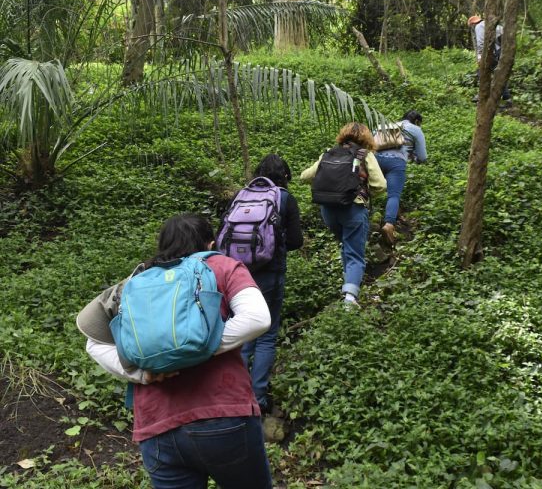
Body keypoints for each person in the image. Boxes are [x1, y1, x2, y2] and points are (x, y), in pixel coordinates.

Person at [76, 213, 273, 489]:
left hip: (157, 428)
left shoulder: (138, 280)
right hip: (223, 415)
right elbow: (257, 319)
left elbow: (93, 341)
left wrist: (142, 372)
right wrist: (200, 346)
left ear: (162, 244)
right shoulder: (222, 266)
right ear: (211, 242)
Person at [239, 154, 303, 415]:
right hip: (270, 272)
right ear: (285, 176)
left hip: (239, 272)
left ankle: (236, 393)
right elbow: (296, 242)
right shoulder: (284, 199)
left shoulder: (241, 195)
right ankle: (258, 397)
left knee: (244, 333)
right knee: (266, 334)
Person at [300, 122, 386, 306]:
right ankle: (350, 298)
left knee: (347, 246)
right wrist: (365, 191)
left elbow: (305, 176)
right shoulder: (365, 154)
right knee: (355, 253)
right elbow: (381, 185)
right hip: (353, 208)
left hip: (328, 211)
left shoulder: (329, 153)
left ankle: (349, 285)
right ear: (366, 138)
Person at [375, 110, 427, 245]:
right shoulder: (415, 129)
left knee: (370, 190)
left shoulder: (385, 125)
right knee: (393, 195)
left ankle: (368, 218)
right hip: (396, 162)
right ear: (416, 121)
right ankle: (389, 224)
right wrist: (413, 156)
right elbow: (422, 157)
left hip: (375, 160)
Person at [467, 15, 512, 106]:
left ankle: (483, 95)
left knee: (483, 72)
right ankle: (506, 98)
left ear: (472, 24)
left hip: (495, 53)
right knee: (498, 73)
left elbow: (481, 43)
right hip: (503, 50)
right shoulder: (488, 24)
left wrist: (480, 58)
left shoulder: (479, 27)